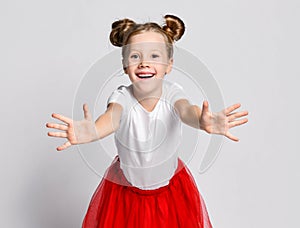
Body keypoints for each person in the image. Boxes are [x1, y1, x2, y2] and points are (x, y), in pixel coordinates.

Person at [46, 14, 248, 228]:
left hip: (170, 192)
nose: (144, 63)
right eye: (135, 57)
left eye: (154, 56)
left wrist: (203, 121)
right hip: (125, 195)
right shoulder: (122, 97)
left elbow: (187, 110)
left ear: (169, 65)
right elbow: (111, 119)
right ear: (125, 65)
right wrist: (92, 132)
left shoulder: (172, 94)